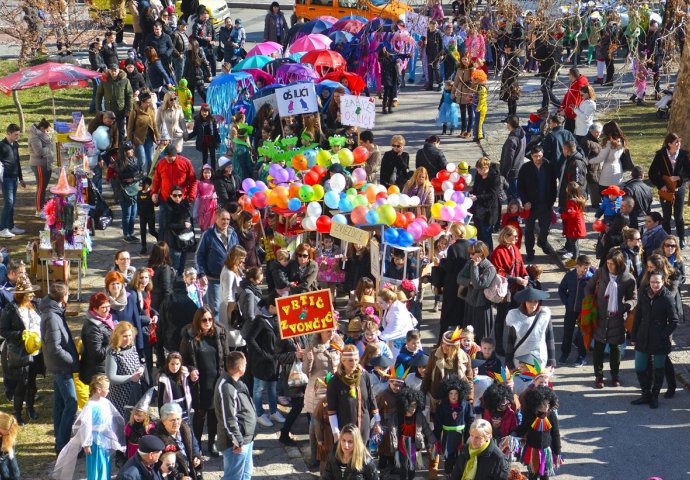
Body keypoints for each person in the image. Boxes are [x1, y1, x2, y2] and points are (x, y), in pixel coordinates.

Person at [53, 375, 126, 480]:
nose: (109, 391)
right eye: (107, 389)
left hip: (104, 437)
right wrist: (86, 444)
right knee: (96, 463)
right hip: (94, 440)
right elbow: (86, 426)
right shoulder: (90, 406)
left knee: (105, 461)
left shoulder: (106, 402)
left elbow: (111, 418)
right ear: (98, 390)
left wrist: (112, 434)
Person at [180, 306, 229, 456]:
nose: (208, 322)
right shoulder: (189, 337)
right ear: (197, 321)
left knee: (214, 413)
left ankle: (212, 442)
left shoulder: (220, 334)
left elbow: (226, 356)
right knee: (200, 415)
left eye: (210, 319)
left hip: (216, 379)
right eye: (204, 320)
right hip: (199, 382)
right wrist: (190, 370)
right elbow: (183, 360)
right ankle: (196, 445)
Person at [586, 248, 637, 389]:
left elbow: (633, 299)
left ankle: (615, 375)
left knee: (616, 351)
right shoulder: (601, 273)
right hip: (600, 317)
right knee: (598, 350)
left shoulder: (628, 279)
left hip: (617, 319)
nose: (609, 266)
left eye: (612, 264)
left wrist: (624, 307)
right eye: (608, 263)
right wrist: (590, 302)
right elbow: (589, 287)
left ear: (619, 264)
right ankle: (599, 376)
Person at [39, 282, 78, 453]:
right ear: (63, 297)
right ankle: (63, 445)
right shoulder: (52, 316)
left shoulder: (54, 311)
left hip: (59, 366)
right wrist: (72, 360)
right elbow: (55, 347)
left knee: (60, 404)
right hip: (61, 367)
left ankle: (59, 442)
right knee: (72, 403)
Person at [631, 269, 678, 409]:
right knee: (639, 367)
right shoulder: (644, 294)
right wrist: (634, 336)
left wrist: (663, 334)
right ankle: (646, 393)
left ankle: (654, 396)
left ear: (663, 281)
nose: (655, 285)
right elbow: (637, 316)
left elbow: (674, 321)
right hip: (643, 337)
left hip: (660, 341)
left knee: (659, 369)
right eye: (652, 282)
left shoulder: (667, 297)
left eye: (657, 282)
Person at [0, 275, 43, 425]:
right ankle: (17, 413)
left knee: (32, 382)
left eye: (31, 293)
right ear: (20, 294)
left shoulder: (35, 304)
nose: (31, 295)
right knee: (21, 383)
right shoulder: (11, 309)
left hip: (36, 351)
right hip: (20, 352)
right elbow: (3, 330)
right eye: (28, 293)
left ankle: (30, 407)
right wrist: (20, 334)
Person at [215, 351, 256, 480]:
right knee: (233, 477)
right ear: (240, 367)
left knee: (245, 474)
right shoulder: (227, 388)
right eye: (245, 364)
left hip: (246, 438)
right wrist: (237, 440)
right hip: (235, 443)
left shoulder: (236, 382)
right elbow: (229, 418)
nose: (246, 365)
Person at [490, 226, 529, 355]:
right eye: (514, 236)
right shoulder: (498, 252)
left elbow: (521, 265)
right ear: (506, 237)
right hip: (504, 290)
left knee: (516, 317)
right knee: (501, 318)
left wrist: (525, 276)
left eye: (517, 236)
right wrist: (515, 279)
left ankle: (514, 343)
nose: (517, 238)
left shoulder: (515, 249)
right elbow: (498, 272)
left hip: (516, 290)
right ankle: (499, 345)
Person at [648, 132, 690, 248]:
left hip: (679, 189)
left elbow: (688, 173)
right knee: (666, 216)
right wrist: (661, 185)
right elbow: (652, 173)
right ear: (669, 144)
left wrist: (680, 178)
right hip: (666, 190)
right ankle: (668, 239)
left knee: (678, 216)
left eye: (679, 142)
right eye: (676, 142)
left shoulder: (684, 155)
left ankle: (681, 238)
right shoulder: (660, 155)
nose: (679, 144)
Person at [518, 146, 557, 262]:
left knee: (545, 227)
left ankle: (542, 242)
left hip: (546, 203)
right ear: (531, 156)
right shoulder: (525, 168)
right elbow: (520, 186)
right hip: (531, 205)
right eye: (535, 156)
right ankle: (530, 251)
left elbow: (553, 184)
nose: (538, 158)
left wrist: (552, 200)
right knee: (529, 229)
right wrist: (525, 201)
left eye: (540, 156)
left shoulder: (548, 166)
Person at [196, 209, 238, 316]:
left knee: (230, 308)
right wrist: (201, 274)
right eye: (223, 219)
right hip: (214, 279)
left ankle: (227, 331)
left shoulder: (233, 233)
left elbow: (238, 253)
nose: (225, 222)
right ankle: (217, 331)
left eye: (228, 219)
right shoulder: (208, 235)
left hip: (231, 278)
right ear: (216, 219)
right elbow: (199, 255)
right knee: (216, 310)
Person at [514, 386, 562, 479]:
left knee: (545, 475)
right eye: (543, 404)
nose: (546, 406)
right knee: (532, 475)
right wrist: (514, 433)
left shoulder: (551, 415)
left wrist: (557, 451)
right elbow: (523, 428)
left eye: (548, 403)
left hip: (546, 451)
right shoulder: (529, 414)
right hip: (532, 450)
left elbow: (555, 434)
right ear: (536, 404)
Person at [505, 286, 556, 370]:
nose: (533, 305)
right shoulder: (514, 316)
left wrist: (551, 361)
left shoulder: (544, 315)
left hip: (539, 356)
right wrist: (508, 363)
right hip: (520, 358)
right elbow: (510, 340)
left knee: (538, 382)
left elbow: (549, 338)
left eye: (535, 301)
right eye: (530, 301)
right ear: (524, 302)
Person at [151, 145, 197, 234]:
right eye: (167, 157)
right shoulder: (161, 163)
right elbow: (156, 180)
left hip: (181, 200)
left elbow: (193, 181)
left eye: (171, 158)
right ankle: (163, 245)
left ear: (176, 155)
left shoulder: (186, 163)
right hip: (165, 200)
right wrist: (154, 193)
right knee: (164, 226)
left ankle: (186, 244)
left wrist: (191, 196)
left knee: (184, 225)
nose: (168, 160)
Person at [105, 321, 145, 418]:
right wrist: (131, 378)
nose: (128, 339)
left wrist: (141, 368)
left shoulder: (132, 346)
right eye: (125, 336)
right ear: (118, 336)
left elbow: (138, 362)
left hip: (135, 391)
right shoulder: (113, 352)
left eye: (130, 336)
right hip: (120, 394)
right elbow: (111, 377)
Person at [558, 255, 592, 366]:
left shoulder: (591, 278)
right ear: (577, 266)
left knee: (582, 335)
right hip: (571, 309)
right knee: (568, 332)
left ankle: (581, 356)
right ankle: (565, 353)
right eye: (584, 268)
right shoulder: (569, 276)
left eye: (588, 268)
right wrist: (566, 302)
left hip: (584, 311)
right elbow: (562, 289)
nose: (586, 271)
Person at [439, 223, 471, 341]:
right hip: (465, 285)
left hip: (452, 285)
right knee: (462, 314)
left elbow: (449, 267)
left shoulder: (453, 248)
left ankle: (443, 340)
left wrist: (442, 261)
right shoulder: (470, 246)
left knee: (447, 314)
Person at [152, 403, 202, 478]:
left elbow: (194, 444)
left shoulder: (185, 428)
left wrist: (196, 456)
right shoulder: (158, 439)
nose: (176, 423)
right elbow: (162, 465)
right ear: (163, 421)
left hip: (192, 471)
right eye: (172, 420)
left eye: (178, 419)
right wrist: (180, 476)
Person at [470, 157, 502, 250]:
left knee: (486, 236)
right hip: (478, 209)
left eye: (480, 170)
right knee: (480, 235)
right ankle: (481, 255)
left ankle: (489, 256)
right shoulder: (479, 175)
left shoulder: (495, 177)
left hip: (488, 211)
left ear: (485, 168)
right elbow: (476, 188)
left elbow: (493, 195)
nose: (478, 172)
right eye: (477, 170)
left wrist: (477, 197)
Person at [96, 63, 133, 142]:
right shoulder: (104, 81)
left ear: (118, 70)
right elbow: (99, 95)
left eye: (115, 71)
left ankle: (121, 147)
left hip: (120, 109)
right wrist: (98, 109)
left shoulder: (125, 80)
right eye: (111, 71)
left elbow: (129, 95)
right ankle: (110, 147)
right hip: (109, 110)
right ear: (109, 71)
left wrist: (129, 109)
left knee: (121, 130)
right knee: (109, 130)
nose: (113, 73)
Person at [0, 124, 25, 238]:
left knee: (12, 202)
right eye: (15, 135)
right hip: (6, 178)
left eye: (18, 135)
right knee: (8, 202)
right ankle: (2, 228)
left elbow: (17, 161)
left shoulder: (15, 145)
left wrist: (21, 178)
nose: (17, 137)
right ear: (8, 133)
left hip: (14, 177)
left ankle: (10, 226)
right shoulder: (1, 145)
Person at [114, 142, 142, 243]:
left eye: (131, 149)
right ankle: (126, 234)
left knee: (133, 213)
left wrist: (133, 178)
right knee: (127, 213)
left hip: (134, 188)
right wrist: (134, 177)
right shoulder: (120, 162)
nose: (131, 151)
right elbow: (122, 175)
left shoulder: (135, 159)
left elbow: (142, 173)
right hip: (124, 190)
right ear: (124, 152)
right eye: (129, 150)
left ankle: (132, 232)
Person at [27, 118, 53, 217]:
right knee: (40, 188)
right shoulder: (35, 137)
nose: (47, 132)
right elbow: (39, 152)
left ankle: (42, 206)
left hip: (45, 164)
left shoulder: (41, 134)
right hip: (39, 165)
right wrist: (50, 147)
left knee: (43, 187)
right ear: (42, 128)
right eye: (47, 130)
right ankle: (39, 209)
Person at [499, 116, 526, 200]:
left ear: (509, 124)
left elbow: (509, 158)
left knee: (513, 197)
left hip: (512, 172)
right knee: (517, 194)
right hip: (519, 168)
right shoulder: (522, 135)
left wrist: (503, 173)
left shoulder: (512, 139)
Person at [560, 67, 590, 133]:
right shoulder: (574, 82)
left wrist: (565, 111)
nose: (568, 76)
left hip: (574, 115)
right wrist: (562, 106)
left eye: (569, 75)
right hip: (570, 113)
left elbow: (575, 102)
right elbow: (568, 94)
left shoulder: (579, 86)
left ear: (572, 75)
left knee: (570, 134)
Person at [191, 7, 216, 77]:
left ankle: (213, 76)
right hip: (202, 47)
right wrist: (205, 38)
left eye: (207, 17)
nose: (206, 19)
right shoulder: (196, 25)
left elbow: (213, 32)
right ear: (200, 15)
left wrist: (214, 40)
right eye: (204, 17)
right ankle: (206, 77)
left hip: (210, 46)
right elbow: (195, 36)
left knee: (213, 62)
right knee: (204, 63)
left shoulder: (209, 23)